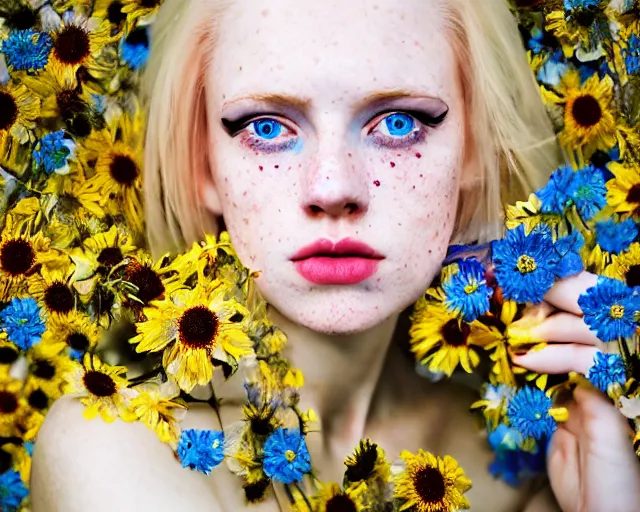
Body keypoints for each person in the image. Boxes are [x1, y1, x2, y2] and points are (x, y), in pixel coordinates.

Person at [30, 0, 640, 510]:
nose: (332, 189)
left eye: (398, 123)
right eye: (267, 127)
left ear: (473, 152)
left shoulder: (531, 462)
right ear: (202, 167)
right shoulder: (113, 444)